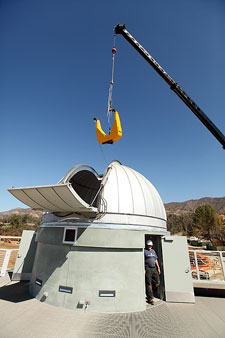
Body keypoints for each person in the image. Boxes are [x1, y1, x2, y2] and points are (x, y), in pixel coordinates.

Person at [144, 239, 161, 305]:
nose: (150, 247)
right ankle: (150, 298)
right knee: (148, 283)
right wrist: (144, 269)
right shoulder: (144, 251)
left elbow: (155, 259)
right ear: (147, 245)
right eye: (149, 245)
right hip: (148, 268)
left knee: (157, 282)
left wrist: (158, 267)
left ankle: (152, 292)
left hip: (154, 268)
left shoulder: (153, 251)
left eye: (151, 246)